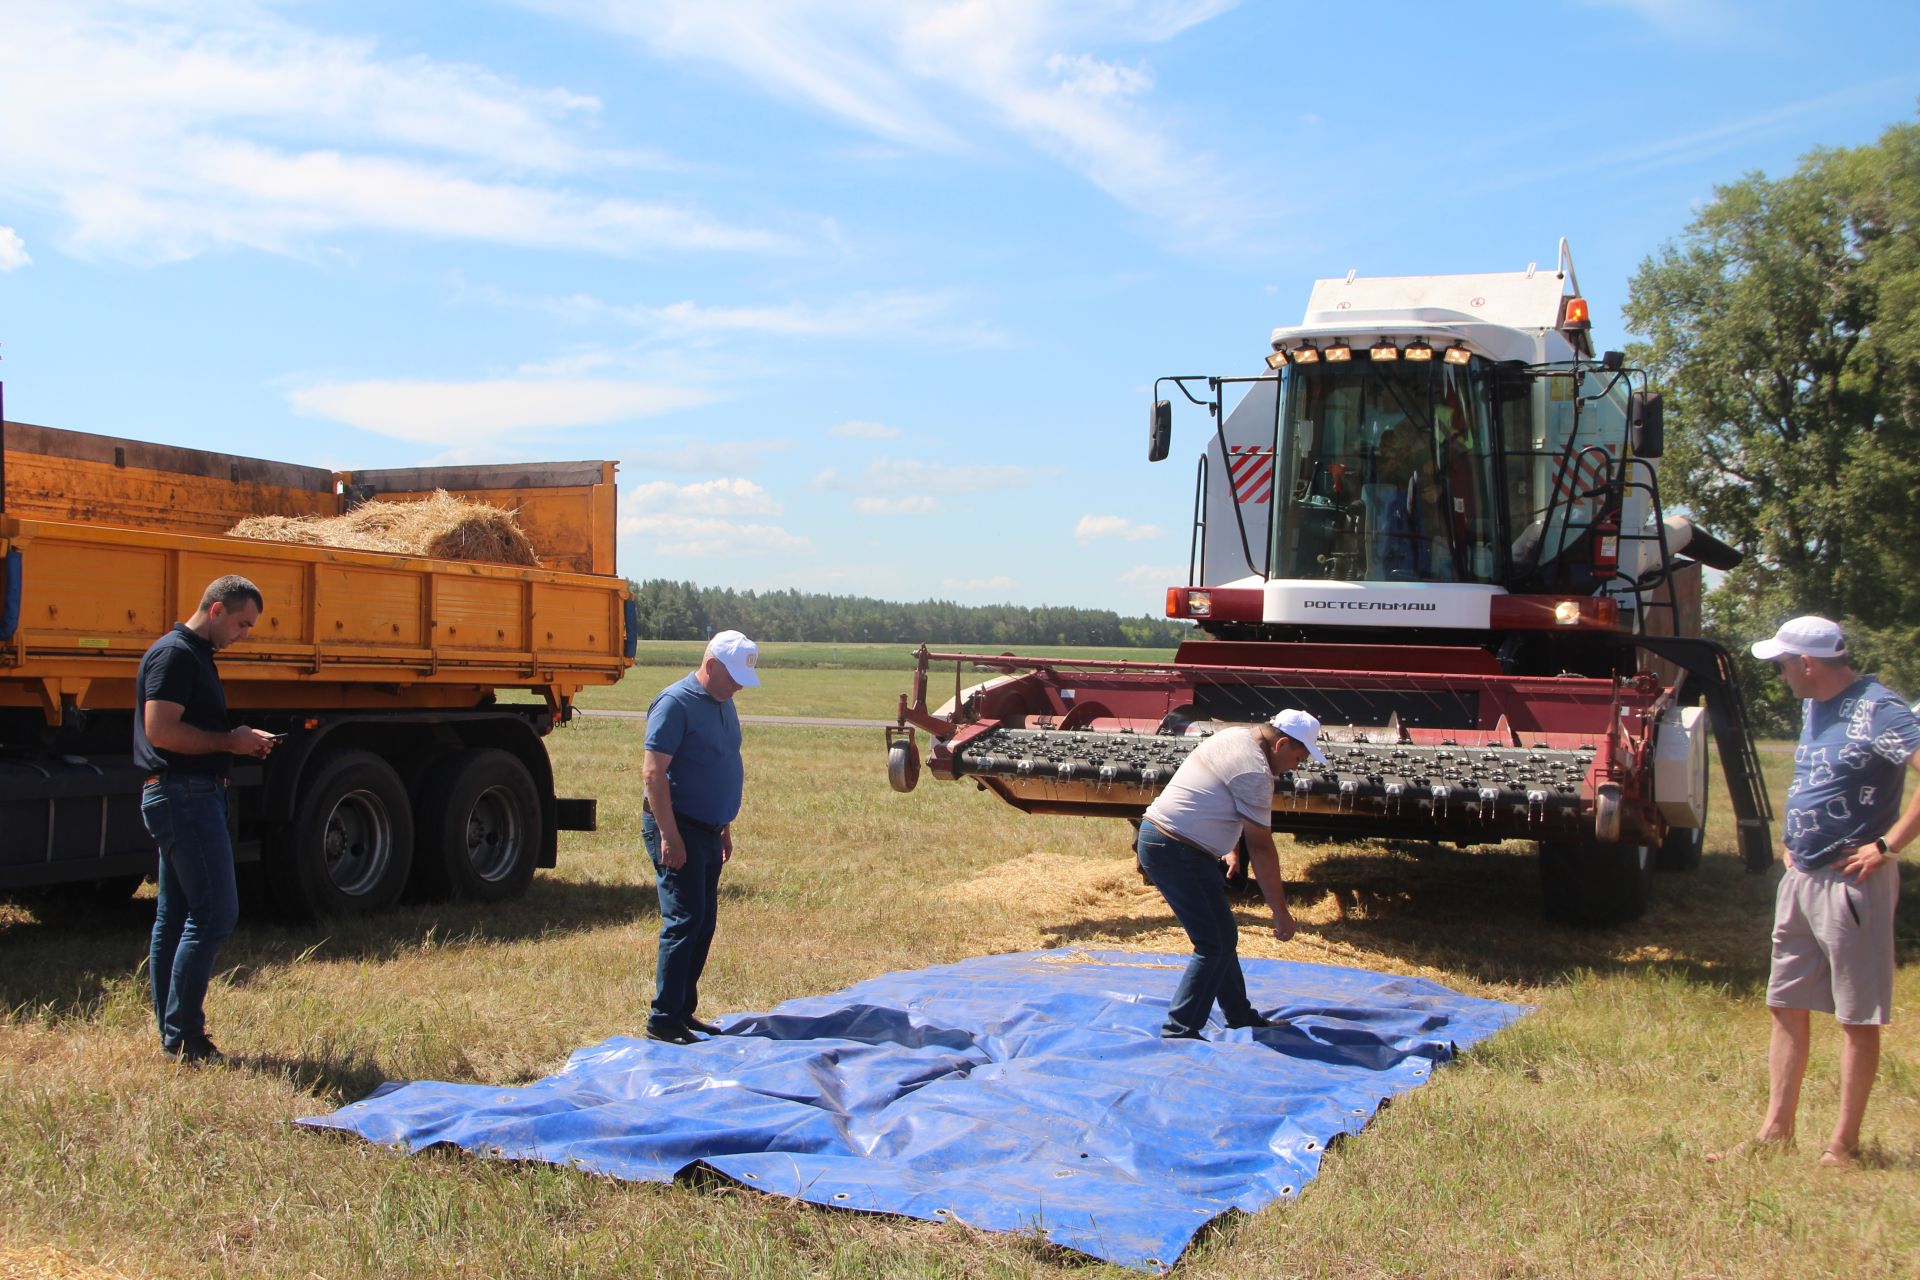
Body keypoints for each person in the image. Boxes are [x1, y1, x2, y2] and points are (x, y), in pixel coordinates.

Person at [1717, 616, 1920, 1167]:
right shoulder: (1813, 705)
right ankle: (1775, 1132)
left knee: (1857, 1015)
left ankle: (1843, 1146)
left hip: (1852, 881)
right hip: (1802, 876)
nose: (1779, 674)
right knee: (1786, 1003)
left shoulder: (1881, 708)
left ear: (1807, 663)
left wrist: (1888, 844)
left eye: (1782, 664)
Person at [137, 575, 278, 1065]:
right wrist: (228, 742)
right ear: (216, 610)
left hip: (186, 793)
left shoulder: (193, 656)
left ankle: (174, 1035)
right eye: (242, 623)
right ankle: (185, 1036)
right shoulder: (176, 654)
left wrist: (238, 738)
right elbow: (161, 731)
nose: (244, 634)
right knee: (215, 913)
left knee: (175, 917)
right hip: (184, 794)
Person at [1134, 709, 1327, 1039]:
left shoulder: (1235, 736)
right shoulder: (1255, 772)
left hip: (1169, 842)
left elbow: (1215, 796)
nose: (1297, 766)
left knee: (1222, 937)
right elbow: (1263, 849)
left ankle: (1239, 1016)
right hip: (1176, 850)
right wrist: (1281, 913)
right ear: (1280, 744)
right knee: (1214, 943)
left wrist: (1229, 845)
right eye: (1299, 756)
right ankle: (1179, 1029)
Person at [641, 630, 759, 1044]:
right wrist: (669, 836)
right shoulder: (675, 703)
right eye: (734, 678)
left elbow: (718, 761)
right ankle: (663, 1019)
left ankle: (683, 1011)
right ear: (711, 666)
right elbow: (655, 772)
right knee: (684, 920)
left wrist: (723, 827)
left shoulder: (722, 702)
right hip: (679, 827)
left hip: (708, 830)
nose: (739, 687)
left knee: (703, 922)